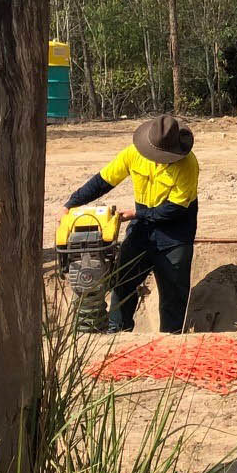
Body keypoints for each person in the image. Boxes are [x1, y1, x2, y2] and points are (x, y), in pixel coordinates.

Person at [64, 113, 200, 334]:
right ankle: (117, 332)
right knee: (123, 281)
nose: (158, 159)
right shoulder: (133, 154)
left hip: (175, 233)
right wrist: (71, 203)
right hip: (141, 229)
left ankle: (170, 338)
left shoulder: (188, 164)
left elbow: (175, 209)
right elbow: (103, 181)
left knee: (173, 293)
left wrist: (137, 214)